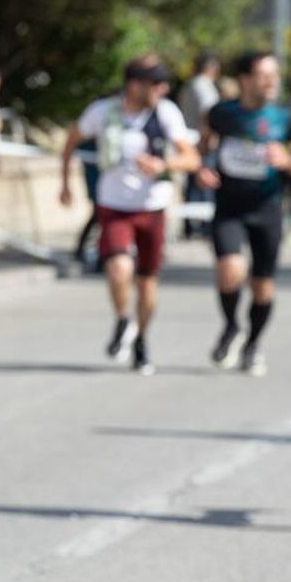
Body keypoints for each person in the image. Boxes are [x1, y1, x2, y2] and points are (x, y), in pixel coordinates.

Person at [59, 55, 198, 375]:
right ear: (134, 85)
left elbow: (191, 157)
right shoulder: (103, 112)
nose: (162, 89)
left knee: (147, 280)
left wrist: (164, 165)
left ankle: (141, 340)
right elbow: (72, 140)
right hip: (114, 205)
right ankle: (123, 319)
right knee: (119, 268)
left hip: (151, 206)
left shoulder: (165, 114)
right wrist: (65, 183)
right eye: (155, 83)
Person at [196, 52, 291, 376]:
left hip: (268, 209)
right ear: (245, 79)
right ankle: (232, 326)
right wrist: (201, 170)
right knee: (230, 269)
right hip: (230, 207)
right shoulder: (222, 113)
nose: (271, 81)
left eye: (274, 75)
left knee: (263, 287)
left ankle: (253, 345)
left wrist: (287, 160)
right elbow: (202, 148)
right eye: (264, 75)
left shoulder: (285, 118)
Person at [179, 53, 222, 240]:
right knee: (206, 181)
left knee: (191, 185)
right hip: (201, 140)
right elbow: (208, 115)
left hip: (188, 139)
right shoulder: (204, 87)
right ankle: (205, 226)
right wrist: (210, 140)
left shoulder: (188, 86)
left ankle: (189, 225)